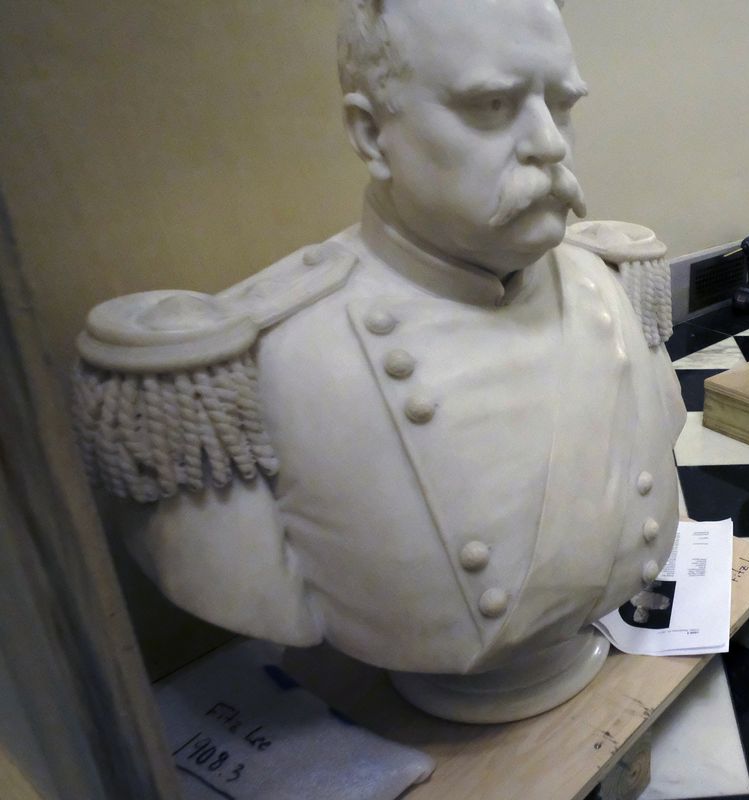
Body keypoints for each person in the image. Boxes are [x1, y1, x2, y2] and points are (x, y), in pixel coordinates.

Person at [72, 0, 684, 718]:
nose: (550, 144)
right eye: (490, 105)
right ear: (371, 133)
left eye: (561, 104)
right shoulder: (259, 362)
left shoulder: (611, 289)